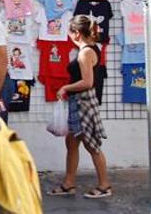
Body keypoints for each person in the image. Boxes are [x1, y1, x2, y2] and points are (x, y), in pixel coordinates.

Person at [49, 15, 111, 199]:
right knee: (72, 142)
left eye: (70, 32)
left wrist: (65, 87)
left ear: (77, 33)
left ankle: (104, 185)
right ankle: (69, 183)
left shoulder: (85, 53)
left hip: (84, 102)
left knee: (91, 145)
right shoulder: (89, 49)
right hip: (79, 101)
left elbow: (87, 82)